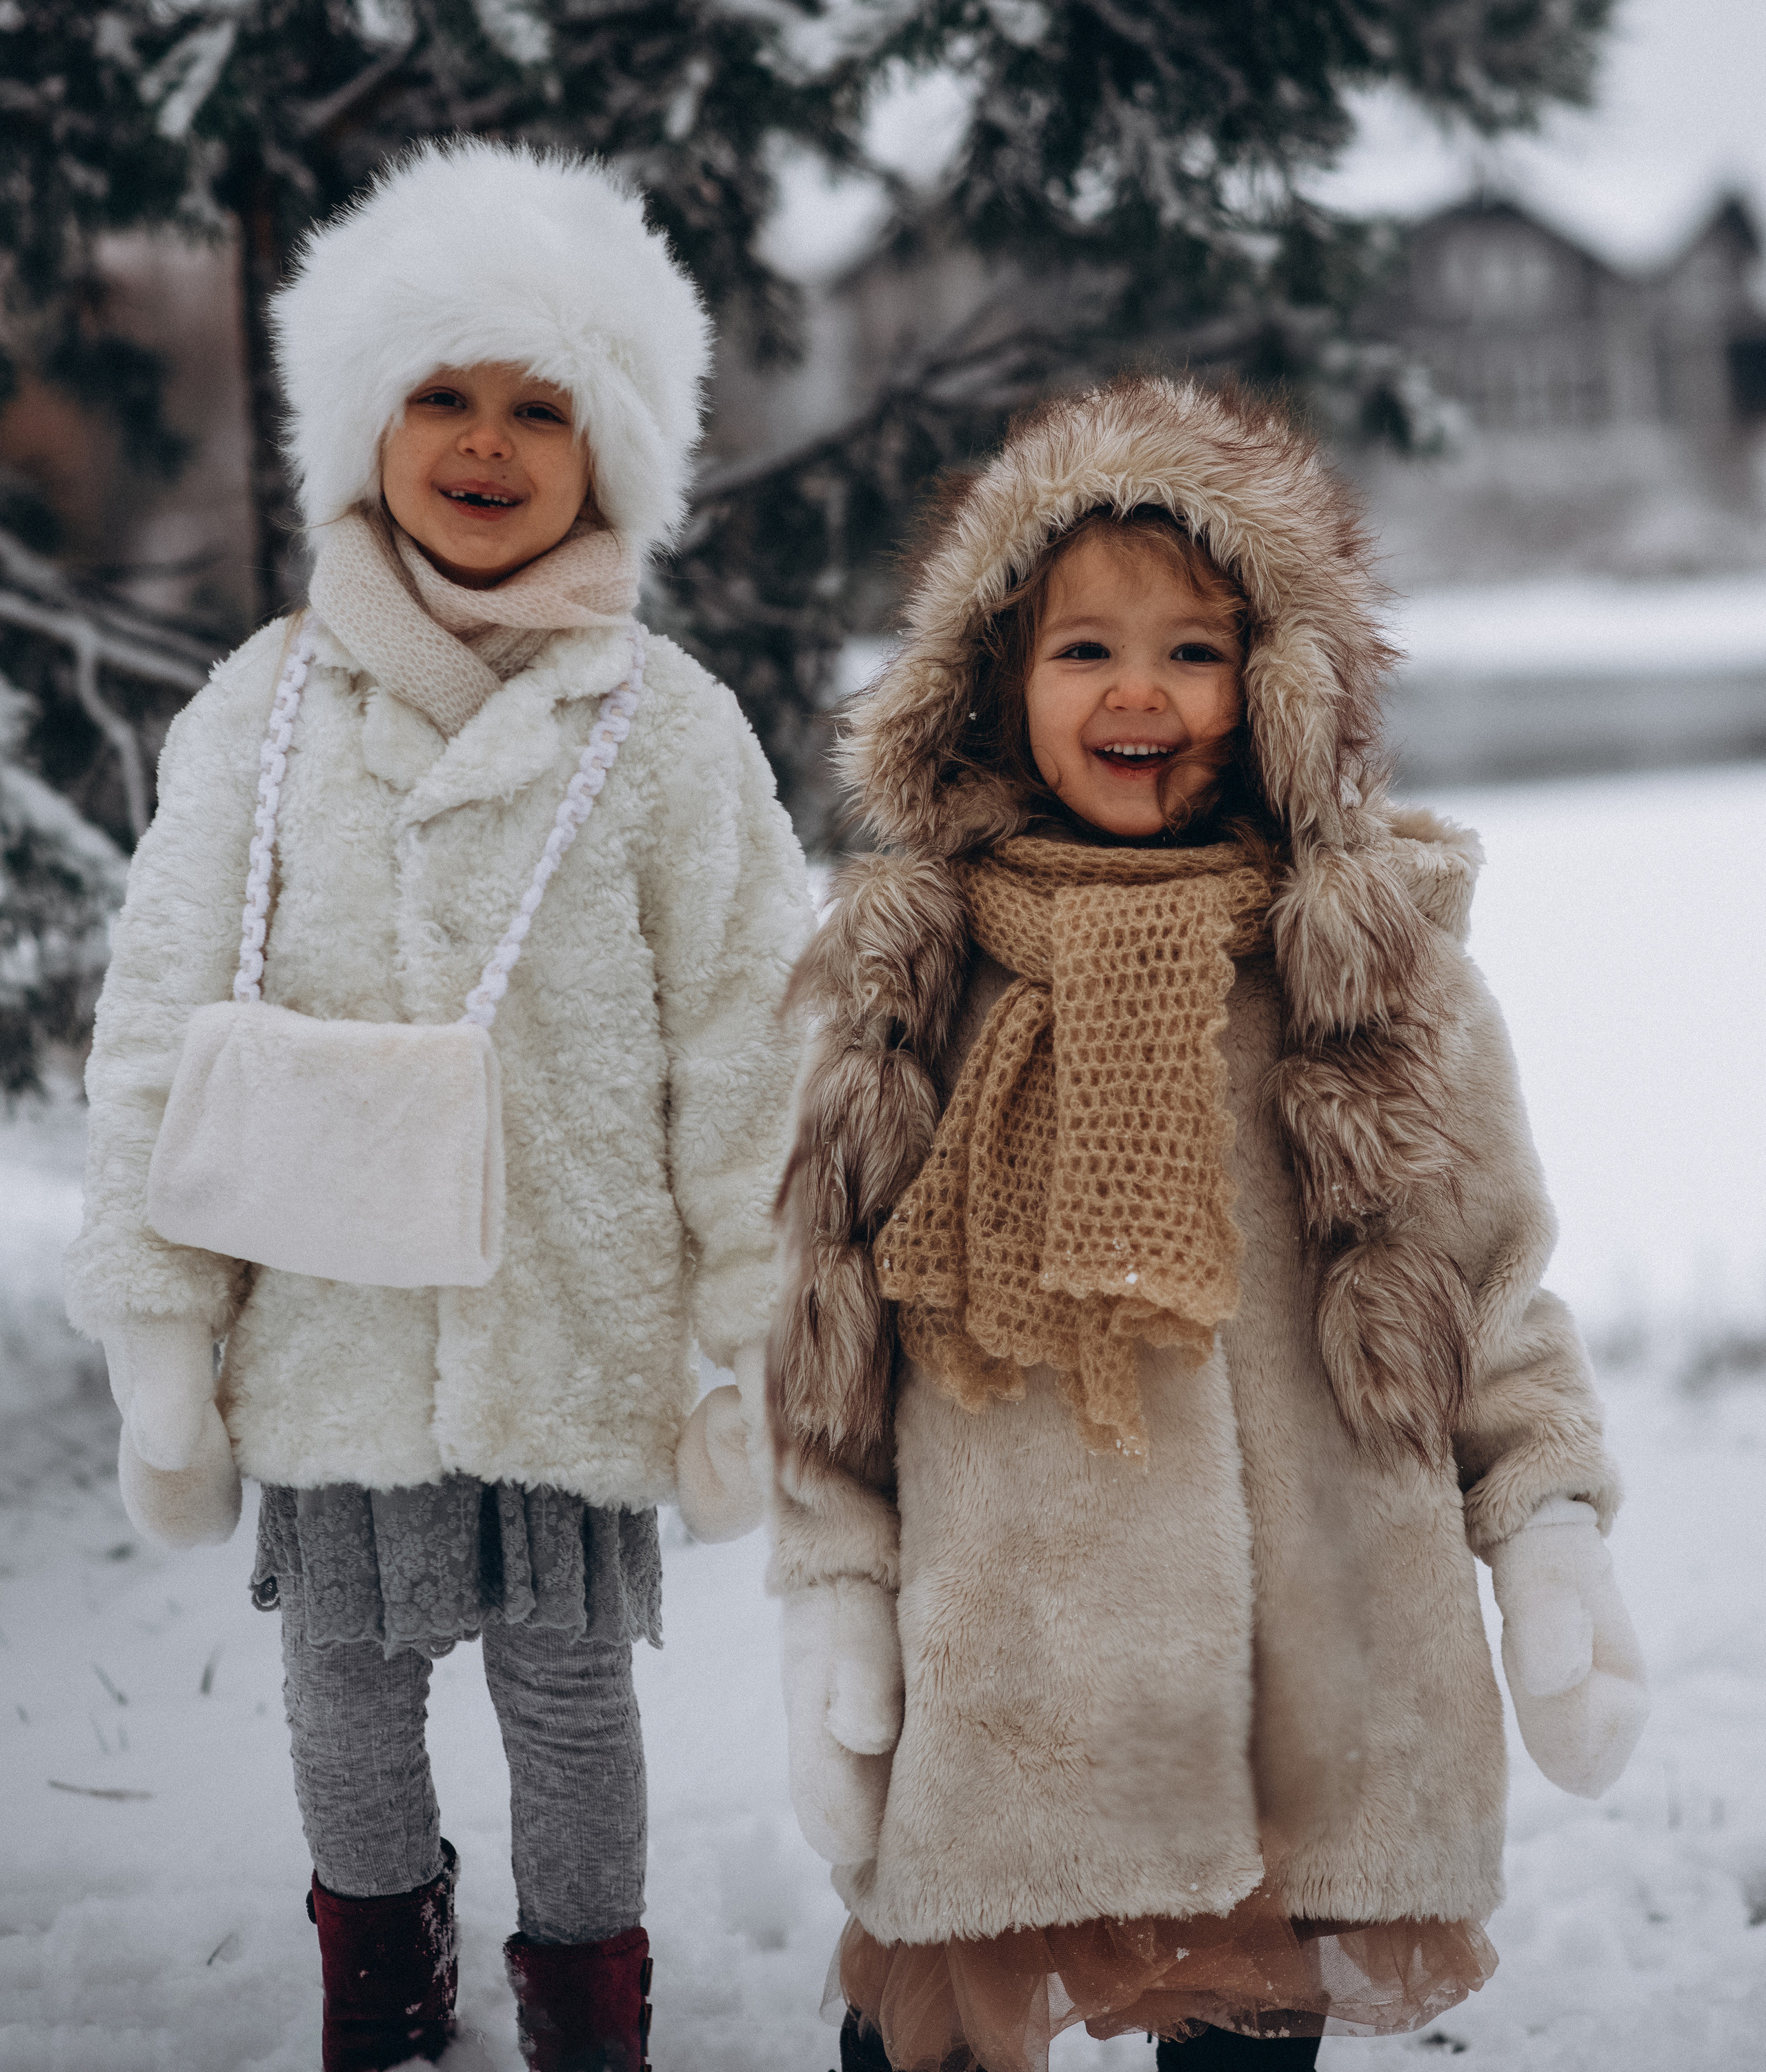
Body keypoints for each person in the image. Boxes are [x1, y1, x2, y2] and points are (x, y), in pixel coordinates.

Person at [766, 375, 1648, 2072]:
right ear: (989, 685)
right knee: (928, 2034)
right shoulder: (915, 985)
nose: (1139, 692)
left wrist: (1541, 1523)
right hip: (1014, 1667)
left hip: (1291, 1681)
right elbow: (829, 1333)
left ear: (1271, 688)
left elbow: (1484, 1279)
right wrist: (833, 1588)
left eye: (1191, 648)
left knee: (1247, 2031)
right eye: (1081, 649)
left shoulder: (1369, 975)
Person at [65, 139, 812, 2072]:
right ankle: (383, 1998)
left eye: (539, 406)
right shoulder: (261, 708)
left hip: (569, 1325)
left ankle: (586, 2007)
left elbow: (749, 1039)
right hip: (330, 1330)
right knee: (343, 1690)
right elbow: (159, 1018)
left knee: (573, 1696)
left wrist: (750, 1326)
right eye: (443, 397)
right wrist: (159, 1318)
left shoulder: (667, 727)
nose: (485, 444)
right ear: (365, 428)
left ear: (610, 447)